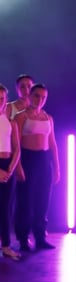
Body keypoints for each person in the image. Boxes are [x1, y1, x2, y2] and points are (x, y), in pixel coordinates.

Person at [13, 83, 60, 251]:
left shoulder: (48, 118)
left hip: (44, 159)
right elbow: (16, 144)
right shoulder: (21, 116)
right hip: (27, 158)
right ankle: (23, 238)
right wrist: (18, 166)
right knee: (25, 201)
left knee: (43, 200)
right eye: (37, 96)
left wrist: (57, 167)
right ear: (30, 96)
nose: (40, 99)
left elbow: (53, 144)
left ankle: (40, 237)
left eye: (43, 97)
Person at [0, 84, 21, 260]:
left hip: (8, 166)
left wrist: (10, 169)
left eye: (2, 99)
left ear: (6, 100)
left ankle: (6, 245)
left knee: (6, 208)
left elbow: (17, 149)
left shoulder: (11, 122)